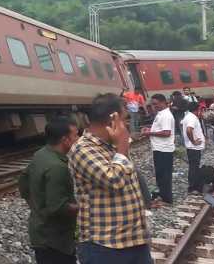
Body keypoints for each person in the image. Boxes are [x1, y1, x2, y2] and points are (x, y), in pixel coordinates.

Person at [69, 93, 152, 264]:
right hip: (105, 246)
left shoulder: (111, 146)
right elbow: (114, 181)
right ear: (113, 119)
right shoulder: (83, 149)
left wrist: (142, 232)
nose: (127, 124)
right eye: (125, 119)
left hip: (134, 240)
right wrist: (123, 147)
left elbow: (130, 187)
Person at [18, 116, 80, 263]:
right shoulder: (57, 167)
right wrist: (84, 207)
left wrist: (35, 206)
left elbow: (23, 178)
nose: (78, 138)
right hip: (56, 241)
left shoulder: (41, 154)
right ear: (65, 139)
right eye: (76, 135)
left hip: (41, 234)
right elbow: (57, 208)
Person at [143, 94, 174, 206]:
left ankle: (167, 200)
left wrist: (149, 133)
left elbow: (166, 133)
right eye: (153, 104)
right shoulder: (160, 114)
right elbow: (160, 129)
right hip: (159, 148)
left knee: (164, 175)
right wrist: (150, 129)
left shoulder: (166, 115)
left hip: (163, 149)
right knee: (160, 175)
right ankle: (164, 194)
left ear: (162, 102)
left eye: (156, 104)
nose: (154, 106)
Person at [182, 101, 205, 194]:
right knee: (194, 167)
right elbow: (189, 130)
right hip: (194, 147)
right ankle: (192, 188)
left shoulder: (187, 116)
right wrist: (193, 141)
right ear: (198, 109)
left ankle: (194, 186)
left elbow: (181, 124)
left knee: (193, 166)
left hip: (191, 146)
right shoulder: (192, 118)